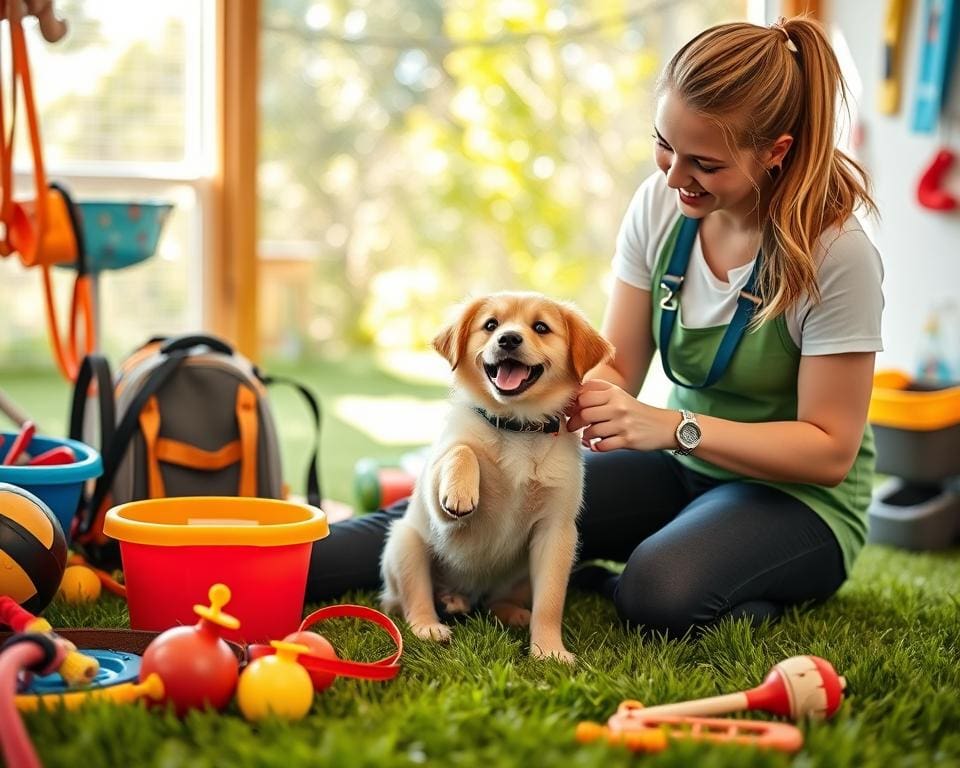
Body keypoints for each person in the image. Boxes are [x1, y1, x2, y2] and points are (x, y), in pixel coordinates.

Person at [306, 16, 884, 638]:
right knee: (452, 514)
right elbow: (616, 366)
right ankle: (285, 550)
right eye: (665, 144)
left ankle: (665, 573)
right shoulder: (663, 206)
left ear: (777, 151)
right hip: (680, 464)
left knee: (658, 595)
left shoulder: (836, 254)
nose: (672, 177)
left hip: (797, 499)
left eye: (705, 164)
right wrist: (511, 428)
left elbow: (829, 450)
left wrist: (671, 426)